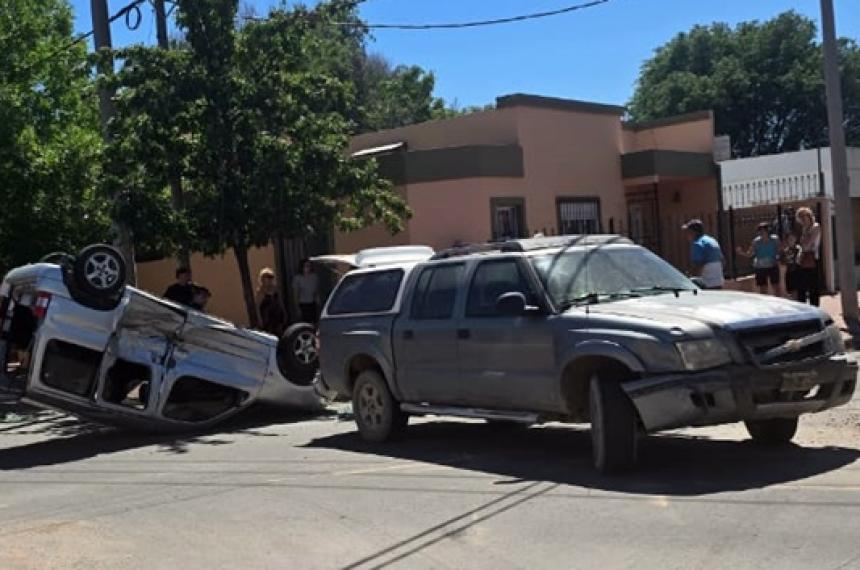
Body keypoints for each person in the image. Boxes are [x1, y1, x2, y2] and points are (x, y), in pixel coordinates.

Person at [735, 222, 782, 296]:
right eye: (760, 231)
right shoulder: (756, 242)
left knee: (776, 286)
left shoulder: (775, 239)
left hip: (773, 265)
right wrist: (741, 252)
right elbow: (750, 254)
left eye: (764, 231)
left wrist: (778, 257)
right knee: (763, 288)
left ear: (768, 231)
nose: (762, 233)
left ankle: (779, 300)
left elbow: (779, 250)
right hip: (760, 267)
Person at [682, 219, 724, 289]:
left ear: (694, 232)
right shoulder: (712, 240)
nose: (687, 235)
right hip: (718, 281)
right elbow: (723, 261)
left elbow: (698, 265)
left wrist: (689, 277)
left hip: (706, 283)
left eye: (688, 232)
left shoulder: (697, 244)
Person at [795, 207, 822, 306]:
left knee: (813, 287)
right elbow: (803, 246)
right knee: (801, 287)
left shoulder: (815, 227)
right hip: (803, 259)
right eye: (800, 218)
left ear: (809, 216)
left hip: (812, 259)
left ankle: (815, 308)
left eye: (804, 217)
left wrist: (803, 244)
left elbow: (807, 244)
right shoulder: (804, 229)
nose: (802, 220)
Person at [256, 268, 288, 335]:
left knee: (280, 332)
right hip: (267, 317)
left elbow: (280, 302)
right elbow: (257, 307)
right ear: (262, 279)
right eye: (267, 277)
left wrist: (284, 313)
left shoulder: (275, 289)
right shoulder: (261, 291)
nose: (269, 279)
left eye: (271, 277)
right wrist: (260, 320)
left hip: (277, 315)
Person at [292, 259, 321, 324]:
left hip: (313, 303)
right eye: (306, 266)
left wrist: (318, 300)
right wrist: (297, 308)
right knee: (305, 322)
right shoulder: (297, 278)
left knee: (314, 321)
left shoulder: (314, 277)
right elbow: (296, 294)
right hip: (303, 304)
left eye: (309, 266)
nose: (308, 268)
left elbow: (316, 290)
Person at [782, 233, 802, 298]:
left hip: (797, 272)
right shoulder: (786, 250)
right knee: (790, 291)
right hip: (789, 272)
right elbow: (783, 262)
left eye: (792, 239)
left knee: (796, 291)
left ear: (795, 239)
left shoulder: (798, 248)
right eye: (789, 239)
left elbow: (799, 259)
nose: (790, 240)